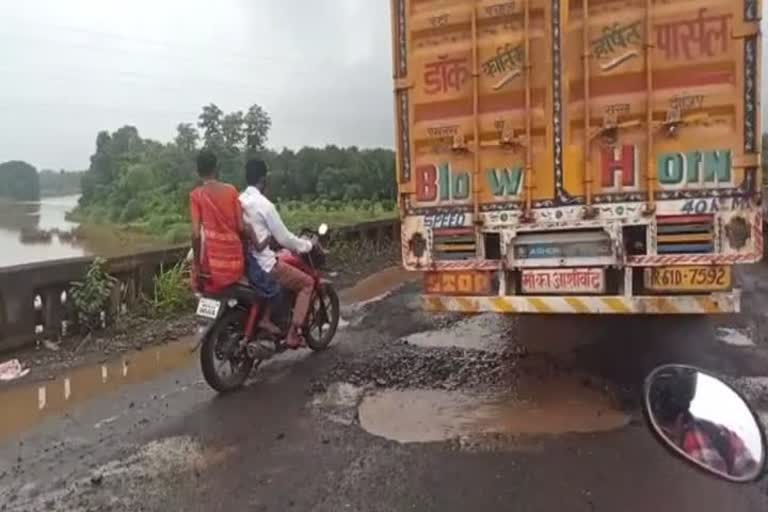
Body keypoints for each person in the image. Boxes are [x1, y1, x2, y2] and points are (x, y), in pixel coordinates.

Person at [239, 158, 314, 349]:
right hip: (264, 263)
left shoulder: (238, 200)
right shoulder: (265, 205)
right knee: (307, 283)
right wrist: (306, 245)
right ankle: (293, 334)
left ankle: (271, 320)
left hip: (244, 263)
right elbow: (285, 239)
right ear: (263, 180)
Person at [650, 368, 758, 478]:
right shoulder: (635, 442)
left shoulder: (721, 437)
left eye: (685, 370)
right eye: (666, 374)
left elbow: (753, 483)